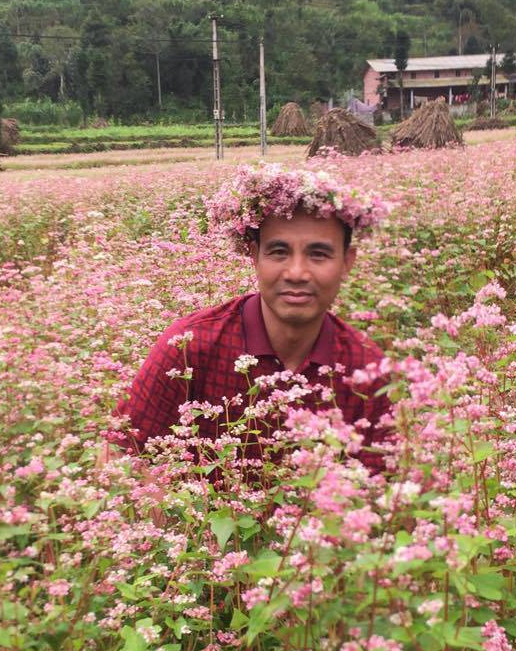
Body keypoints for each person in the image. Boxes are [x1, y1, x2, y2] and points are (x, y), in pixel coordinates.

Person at [110, 165, 393, 473]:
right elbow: (120, 461)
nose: (296, 273)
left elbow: (380, 491)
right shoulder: (189, 348)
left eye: (319, 254)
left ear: (346, 262)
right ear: (253, 255)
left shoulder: (366, 370)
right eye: (279, 251)